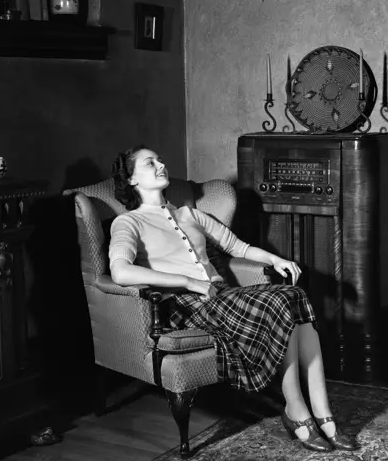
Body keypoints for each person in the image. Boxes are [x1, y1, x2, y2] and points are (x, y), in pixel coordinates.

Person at [108, 145, 359, 452]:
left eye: (160, 159)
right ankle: (298, 411)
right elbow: (120, 272)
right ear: (132, 180)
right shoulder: (128, 222)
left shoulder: (190, 214)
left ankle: (324, 414)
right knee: (282, 301)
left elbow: (237, 247)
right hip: (188, 305)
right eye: (150, 163)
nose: (161, 165)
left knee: (293, 295)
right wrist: (187, 281)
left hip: (223, 297)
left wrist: (274, 260)